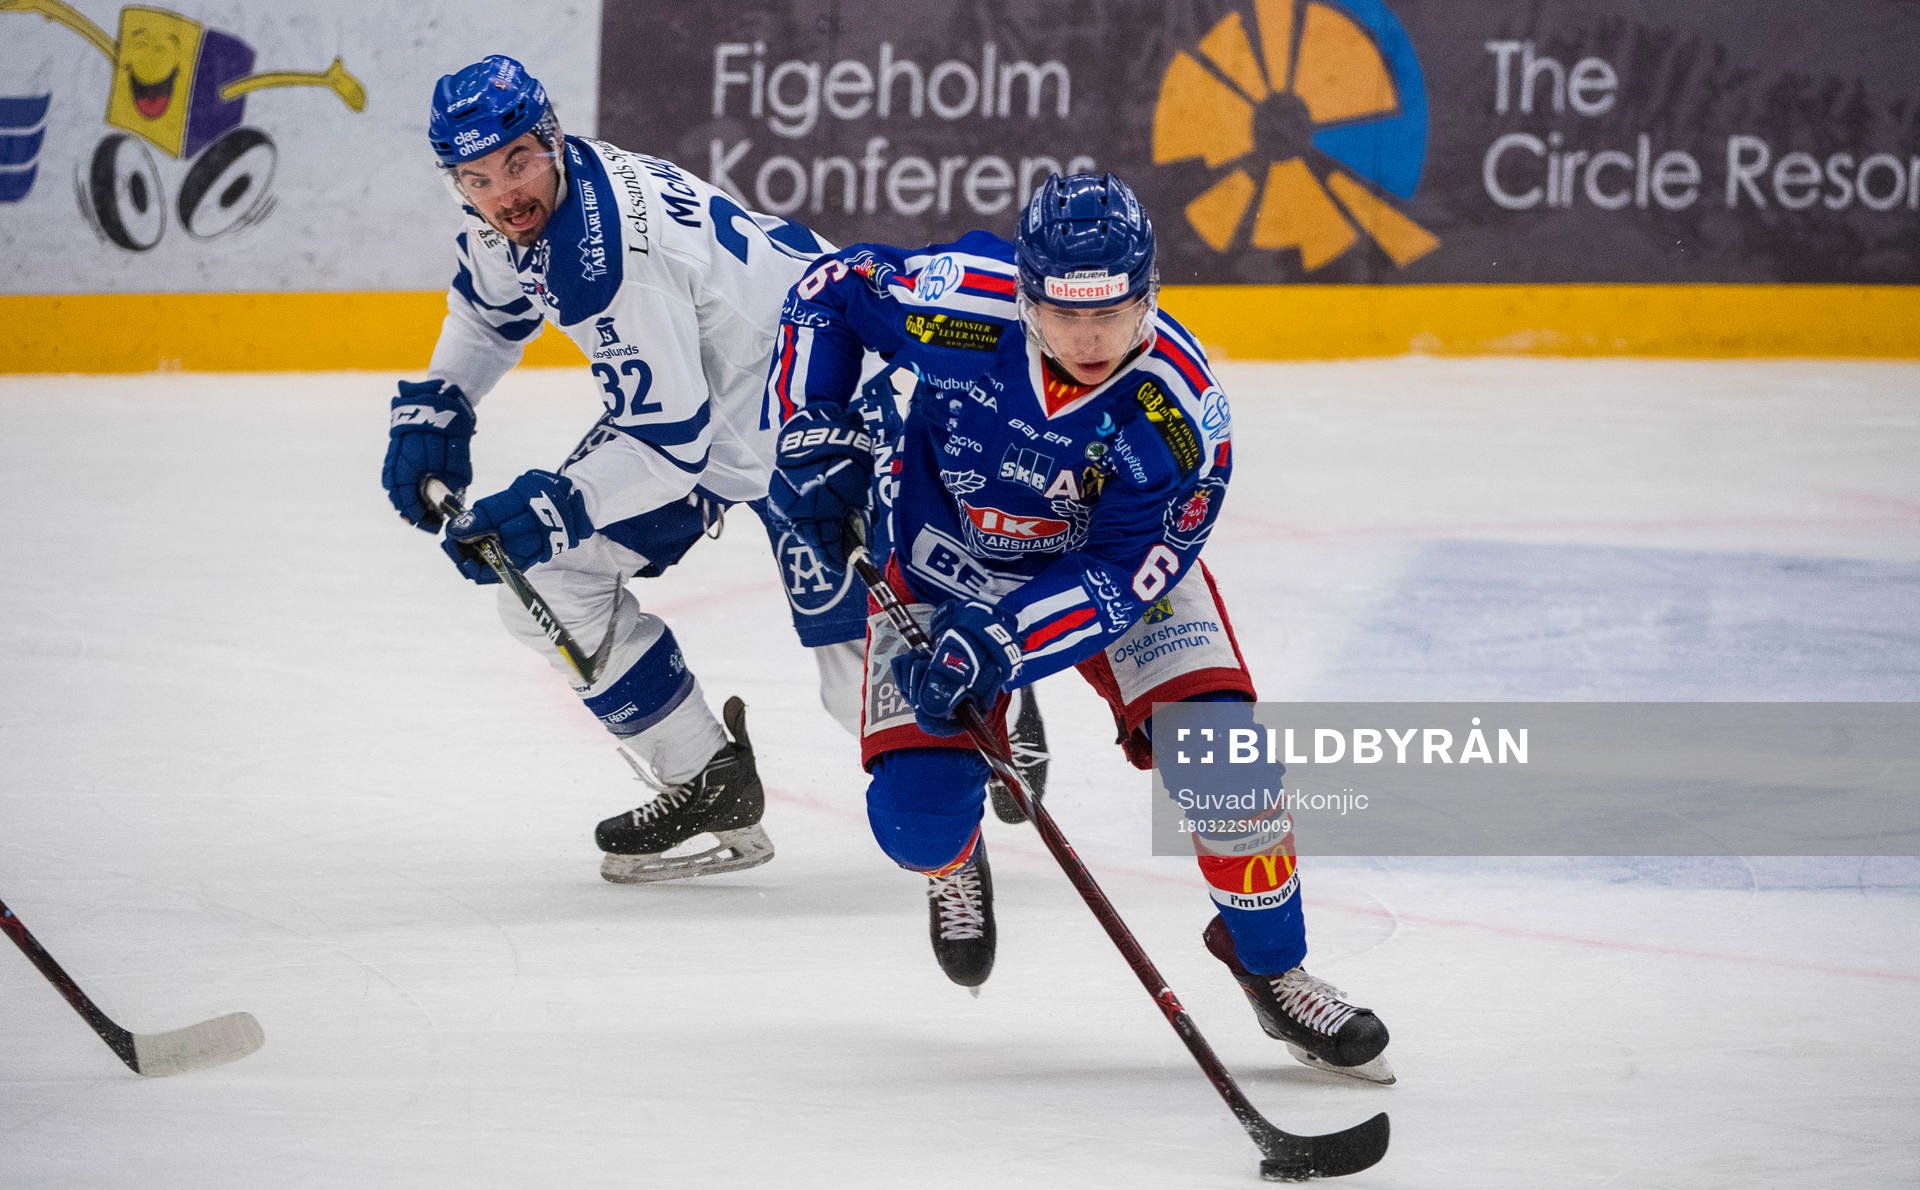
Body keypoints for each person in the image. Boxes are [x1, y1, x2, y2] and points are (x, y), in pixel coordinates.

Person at [763, 172, 1392, 1082]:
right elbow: (825, 293)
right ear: (1025, 297)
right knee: (914, 825)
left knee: (1227, 767)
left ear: (1150, 294)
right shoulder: (957, 306)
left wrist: (1004, 642)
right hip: (942, 560)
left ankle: (1274, 969)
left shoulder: (1180, 415)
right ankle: (957, 853)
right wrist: (809, 425)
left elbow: (1124, 578)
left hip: (1109, 574)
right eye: (1064, 314)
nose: (1090, 339)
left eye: (1115, 311)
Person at [380, 54, 872, 883]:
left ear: (555, 140)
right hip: (723, 416)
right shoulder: (525, 212)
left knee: (874, 702)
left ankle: (1036, 706)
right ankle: (705, 777)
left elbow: (667, 444)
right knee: (550, 586)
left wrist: (550, 508)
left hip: (820, 427)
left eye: (518, 164)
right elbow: (489, 309)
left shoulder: (613, 260)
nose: (504, 193)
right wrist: (440, 400)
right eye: (477, 179)